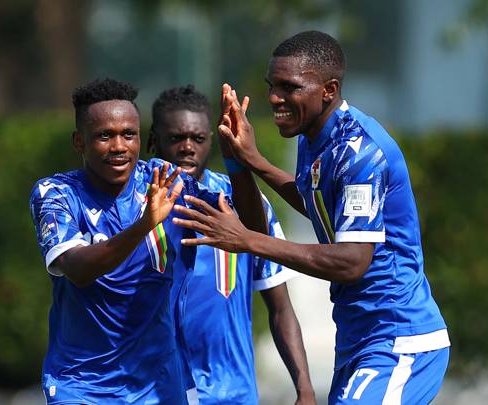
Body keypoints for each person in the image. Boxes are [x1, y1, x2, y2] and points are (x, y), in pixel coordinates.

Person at [173, 31, 450, 404]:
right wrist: (248, 161)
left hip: (399, 339)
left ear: (328, 90)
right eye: (272, 85)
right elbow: (320, 206)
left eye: (289, 87)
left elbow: (352, 262)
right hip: (360, 337)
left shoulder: (360, 153)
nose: (275, 98)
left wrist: (245, 241)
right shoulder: (313, 137)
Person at [29, 78, 225, 404]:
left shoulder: (163, 180)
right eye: (105, 135)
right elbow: (78, 269)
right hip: (81, 385)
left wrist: (240, 159)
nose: (119, 146)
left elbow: (245, 220)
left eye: (128, 134)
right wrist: (145, 224)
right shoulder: (57, 194)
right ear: (80, 142)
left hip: (157, 385)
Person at [148, 85, 315, 404]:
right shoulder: (135, 207)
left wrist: (304, 388)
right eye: (176, 138)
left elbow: (279, 307)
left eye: (197, 139)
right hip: (155, 391)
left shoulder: (243, 202)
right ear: (154, 141)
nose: (187, 148)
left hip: (232, 393)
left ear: (212, 140)